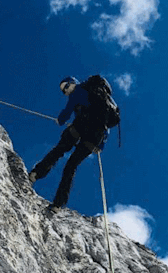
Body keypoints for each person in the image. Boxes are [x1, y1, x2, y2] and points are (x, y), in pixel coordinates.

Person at [29, 76, 113, 209]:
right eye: (63, 91)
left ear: (74, 83)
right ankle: (58, 204)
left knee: (59, 150)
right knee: (70, 166)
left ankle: (36, 174)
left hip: (80, 128)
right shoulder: (100, 99)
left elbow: (67, 112)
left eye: (66, 87)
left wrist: (60, 120)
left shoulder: (78, 91)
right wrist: (101, 145)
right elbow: (106, 127)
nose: (66, 92)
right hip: (95, 138)